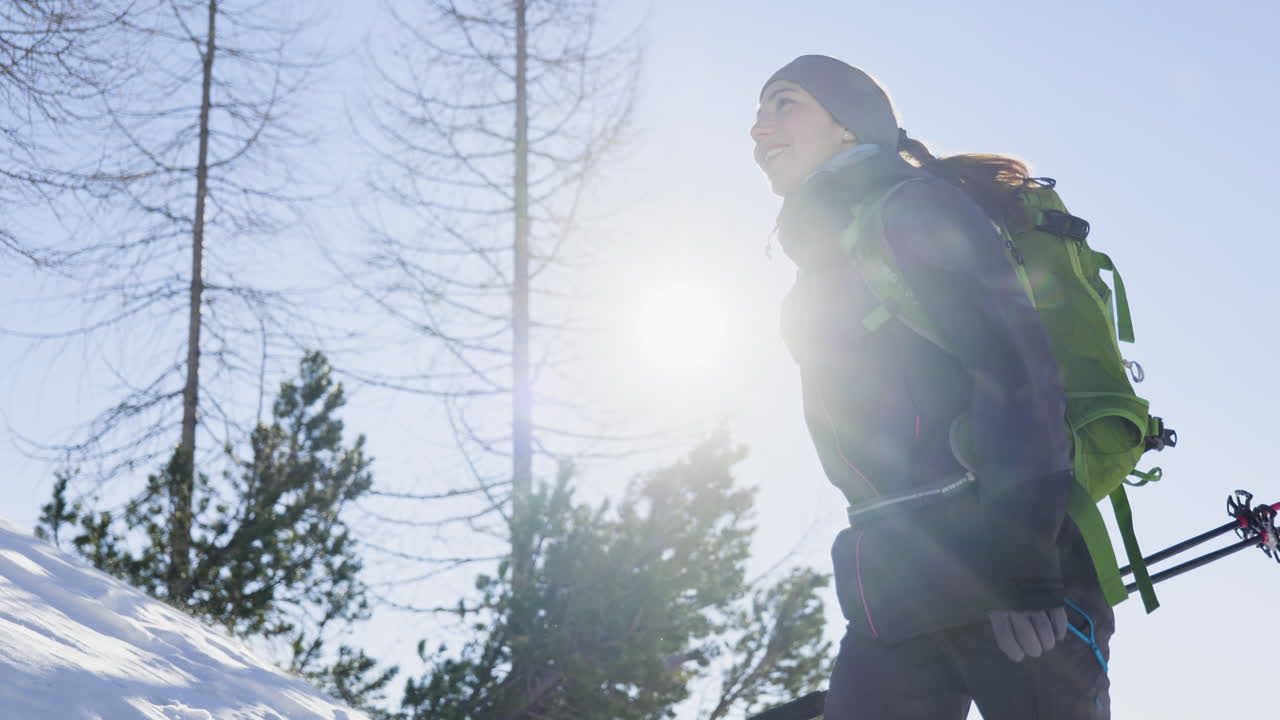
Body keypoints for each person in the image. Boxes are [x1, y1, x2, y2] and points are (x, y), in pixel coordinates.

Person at [750, 55, 1115, 719]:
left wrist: (1023, 568)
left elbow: (1017, 371)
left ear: (846, 125)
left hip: (1012, 571)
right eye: (758, 112)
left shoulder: (911, 208)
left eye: (784, 103)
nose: (758, 129)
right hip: (899, 585)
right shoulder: (821, 267)